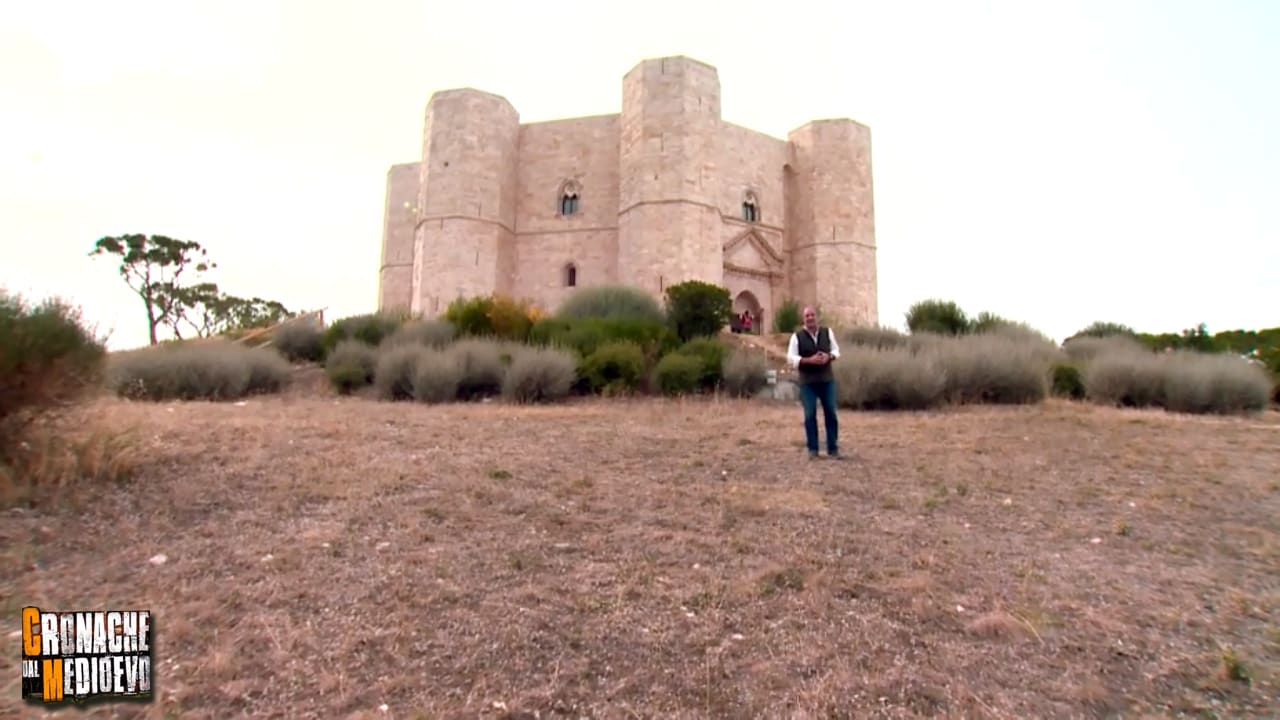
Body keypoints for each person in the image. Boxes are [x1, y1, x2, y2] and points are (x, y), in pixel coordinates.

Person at [786, 306, 842, 460]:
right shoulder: (797, 337)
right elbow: (791, 358)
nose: (810, 318)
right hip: (807, 383)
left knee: (831, 412)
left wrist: (828, 357)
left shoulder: (827, 332)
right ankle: (813, 449)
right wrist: (808, 360)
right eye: (806, 316)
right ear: (803, 319)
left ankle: (833, 448)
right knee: (810, 414)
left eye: (812, 315)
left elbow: (837, 351)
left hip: (826, 380)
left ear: (816, 316)